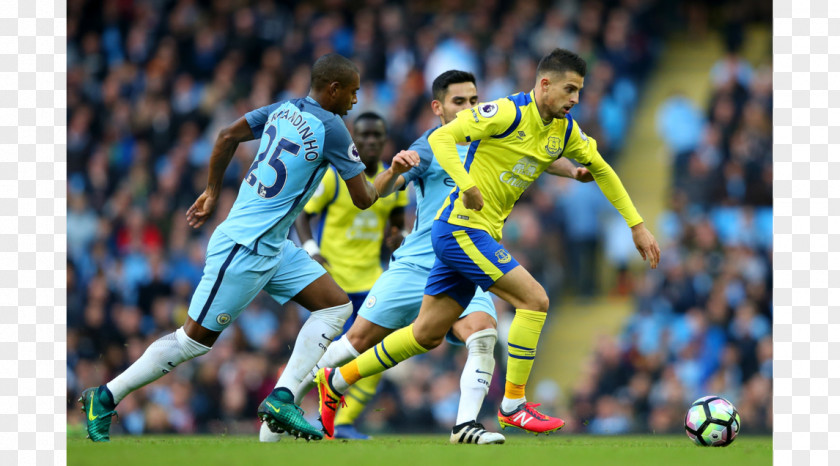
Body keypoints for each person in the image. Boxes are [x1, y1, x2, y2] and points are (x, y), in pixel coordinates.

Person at [313, 49, 661, 438]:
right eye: (570, 89)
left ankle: (338, 380)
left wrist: (637, 225)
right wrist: (467, 184)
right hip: (459, 229)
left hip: (471, 235)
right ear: (544, 84)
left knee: (427, 334)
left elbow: (602, 169)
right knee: (535, 300)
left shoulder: (563, 130)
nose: (575, 99)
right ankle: (513, 405)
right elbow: (444, 137)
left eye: (579, 91)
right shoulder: (507, 112)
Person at [78, 53, 418, 442]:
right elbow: (364, 198)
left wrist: (211, 191)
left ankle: (282, 397)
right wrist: (394, 171)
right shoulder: (333, 128)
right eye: (353, 93)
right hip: (243, 248)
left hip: (273, 245)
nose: (355, 102)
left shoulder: (284, 108)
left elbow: (226, 136)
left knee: (336, 306)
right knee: (193, 341)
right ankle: (105, 396)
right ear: (333, 89)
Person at [287, 111, 408, 440]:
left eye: (377, 136)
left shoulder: (395, 180)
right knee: (320, 355)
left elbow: (396, 223)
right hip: (333, 284)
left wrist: (397, 236)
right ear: (353, 140)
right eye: (364, 136)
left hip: (371, 281)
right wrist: (311, 248)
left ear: (384, 141)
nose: (370, 142)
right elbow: (303, 215)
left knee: (375, 355)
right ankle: (295, 408)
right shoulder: (335, 177)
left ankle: (342, 422)